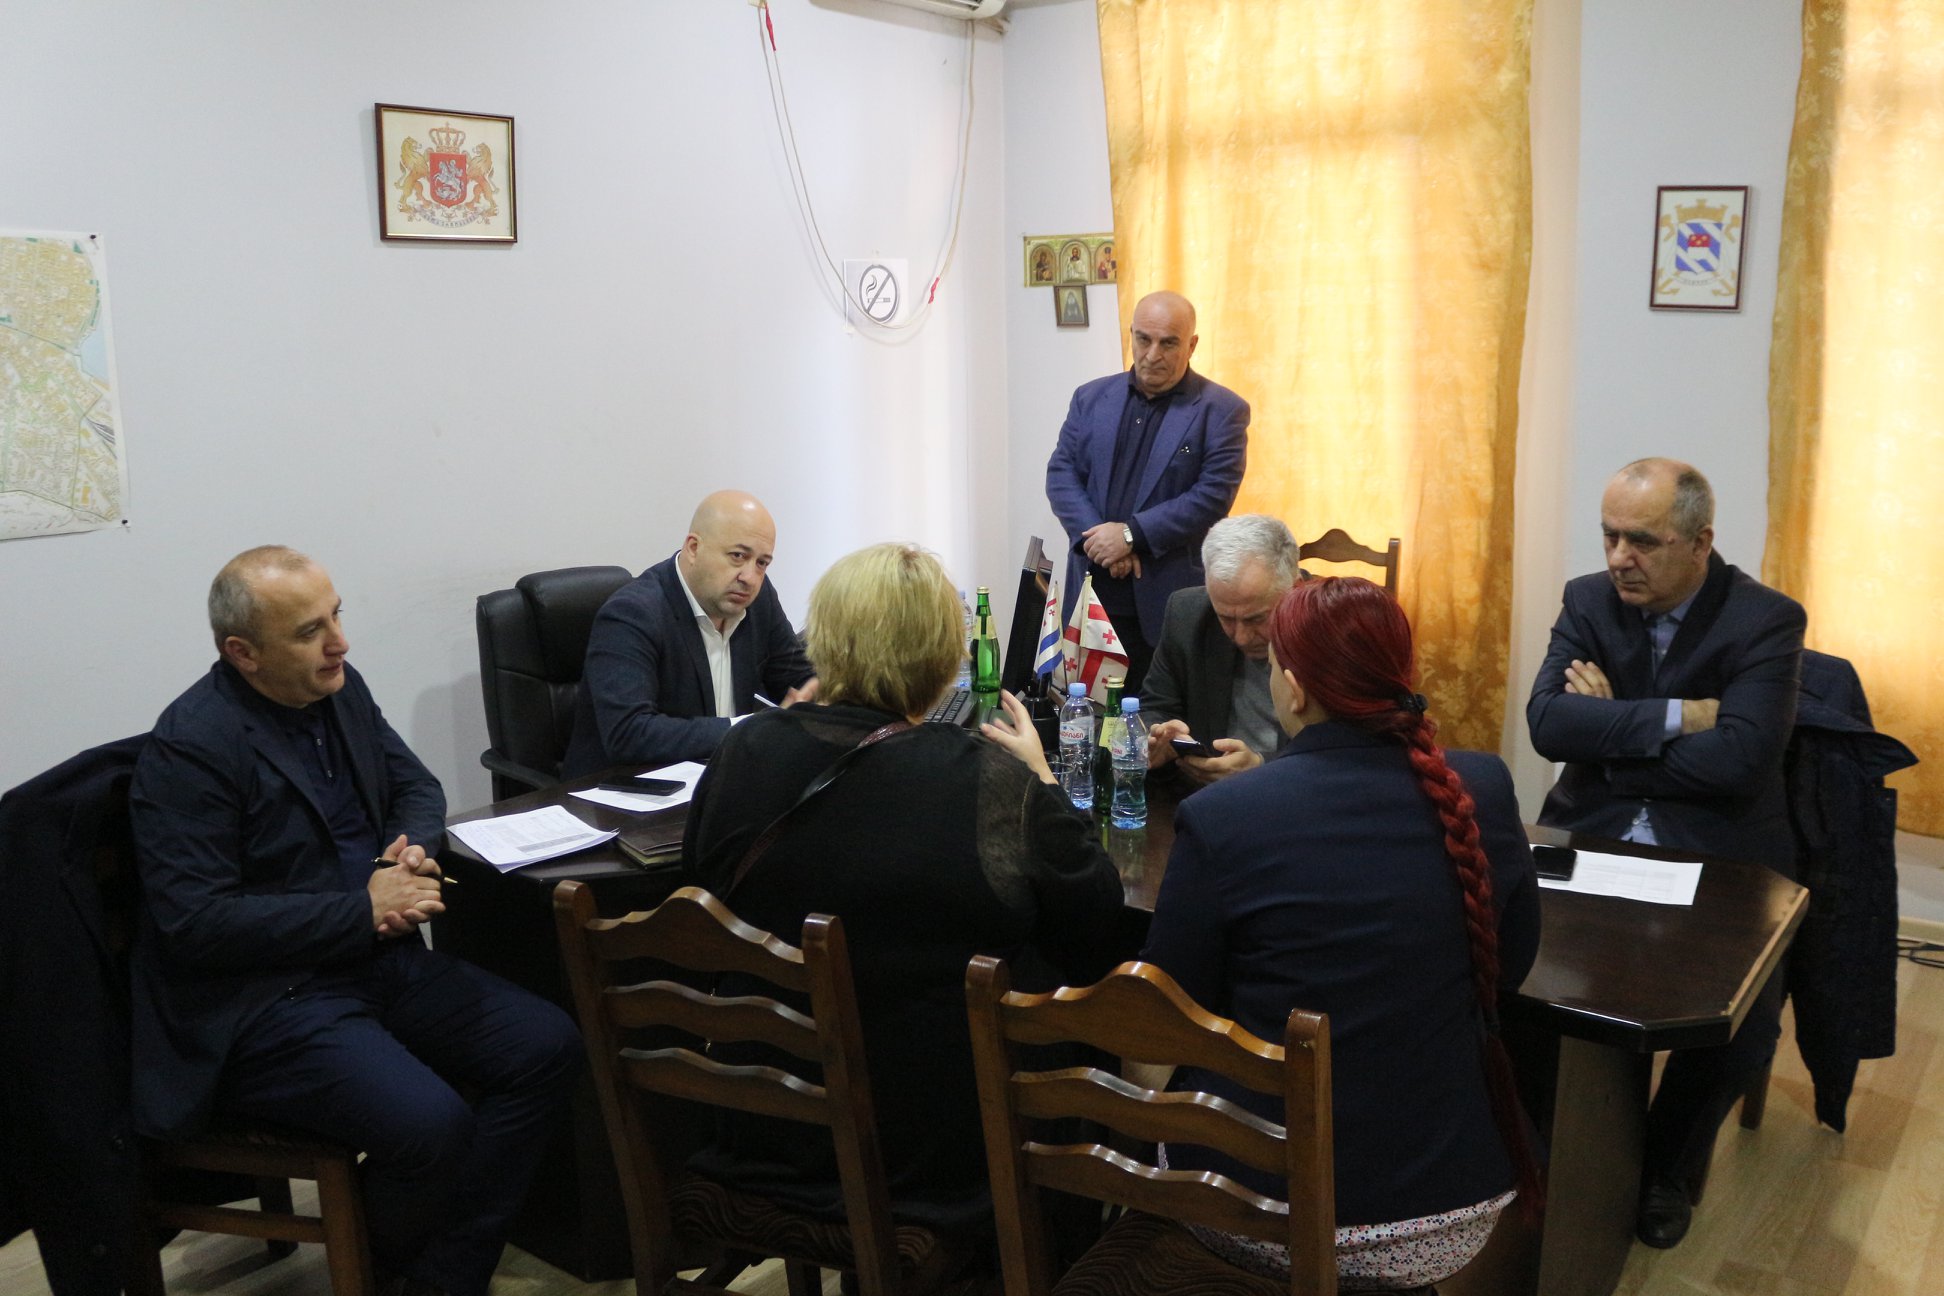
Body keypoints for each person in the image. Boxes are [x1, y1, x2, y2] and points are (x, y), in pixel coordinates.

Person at [128, 546, 580, 1296]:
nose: (339, 642)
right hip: (266, 1001)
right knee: (431, 1126)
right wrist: (362, 909)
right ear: (243, 652)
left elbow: (416, 787)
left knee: (546, 1045)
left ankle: (436, 1275)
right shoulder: (193, 747)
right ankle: (409, 1268)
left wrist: (411, 849)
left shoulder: (339, 689)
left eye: (335, 615)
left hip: (373, 960)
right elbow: (196, 923)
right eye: (309, 631)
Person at [682, 542, 1123, 1238]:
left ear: (824, 639)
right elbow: (1096, 924)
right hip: (935, 1159)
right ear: (944, 659)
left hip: (764, 1126)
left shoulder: (744, 750)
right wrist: (1042, 779)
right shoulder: (988, 781)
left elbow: (703, 887)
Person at [1141, 576, 1541, 1289]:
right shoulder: (1482, 786)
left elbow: (1171, 1012)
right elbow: (1507, 967)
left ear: (1293, 689)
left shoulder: (1226, 816)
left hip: (1260, 1204)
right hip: (1448, 1205)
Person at [1526, 457, 1805, 1249]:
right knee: (1514, 966)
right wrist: (1682, 716)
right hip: (1592, 830)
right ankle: (1546, 1146)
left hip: (1719, 848)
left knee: (1739, 1021)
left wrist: (1612, 735)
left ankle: (1662, 1170)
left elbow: (1742, 762)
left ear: (1700, 542)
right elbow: (1549, 724)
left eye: (1642, 541)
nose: (1620, 558)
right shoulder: (1588, 599)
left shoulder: (1766, 620)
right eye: (1610, 536)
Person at [1045, 290, 1249, 693]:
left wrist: (1129, 536)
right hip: (1092, 591)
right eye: (1143, 339)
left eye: (1168, 343)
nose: (1153, 354)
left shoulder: (1222, 410)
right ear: (1132, 335)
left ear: (1192, 344)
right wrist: (1100, 542)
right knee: (1085, 711)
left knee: (1160, 716)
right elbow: (1061, 474)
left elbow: (1212, 496)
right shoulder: (1090, 398)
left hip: (1166, 601)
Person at [563, 490, 816, 776]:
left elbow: (797, 676)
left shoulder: (758, 600)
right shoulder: (632, 613)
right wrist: (749, 730)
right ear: (694, 548)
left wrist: (825, 695)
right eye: (738, 556)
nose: (750, 577)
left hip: (718, 777)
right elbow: (629, 733)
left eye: (762, 563)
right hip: (621, 790)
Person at [1144, 513, 1302, 788]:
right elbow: (1155, 707)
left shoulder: (1334, 627)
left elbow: (1346, 749)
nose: (1240, 637)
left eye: (1256, 619)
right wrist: (1159, 738)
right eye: (1226, 618)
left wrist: (1261, 767)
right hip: (1201, 794)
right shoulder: (1187, 614)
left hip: (1298, 794)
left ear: (1295, 588)